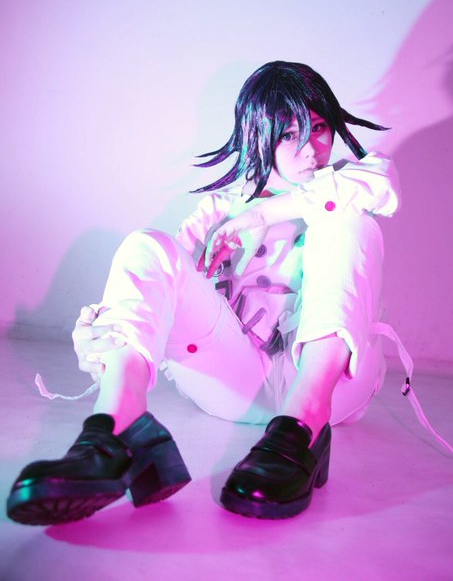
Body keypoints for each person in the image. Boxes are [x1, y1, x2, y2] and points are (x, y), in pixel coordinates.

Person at [7, 60, 403, 525]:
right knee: (146, 246)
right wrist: (102, 342)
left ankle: (304, 427)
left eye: (318, 128)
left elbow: (381, 185)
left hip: (334, 389)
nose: (310, 149)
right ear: (257, 136)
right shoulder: (219, 209)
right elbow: (159, 294)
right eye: (288, 134)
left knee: (347, 220)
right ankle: (116, 432)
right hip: (237, 383)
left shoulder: (351, 181)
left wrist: (262, 215)